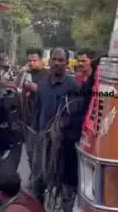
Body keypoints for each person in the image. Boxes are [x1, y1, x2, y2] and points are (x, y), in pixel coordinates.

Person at [29, 48, 80, 203]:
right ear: (49, 61)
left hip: (63, 144)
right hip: (43, 142)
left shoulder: (73, 86)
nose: (57, 63)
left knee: (65, 188)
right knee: (37, 183)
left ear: (66, 63)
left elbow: (76, 116)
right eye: (54, 59)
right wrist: (34, 137)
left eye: (61, 60)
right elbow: (37, 113)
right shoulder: (42, 86)